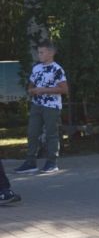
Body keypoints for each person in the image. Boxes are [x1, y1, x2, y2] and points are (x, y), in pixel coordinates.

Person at [16, 40, 69, 174]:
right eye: (38, 52)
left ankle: (52, 162)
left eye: (42, 52)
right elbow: (31, 84)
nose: (39, 55)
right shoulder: (36, 68)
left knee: (51, 133)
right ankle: (30, 162)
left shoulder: (57, 69)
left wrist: (43, 90)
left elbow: (64, 89)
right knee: (32, 133)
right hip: (37, 105)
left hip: (51, 106)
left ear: (51, 53)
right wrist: (32, 90)